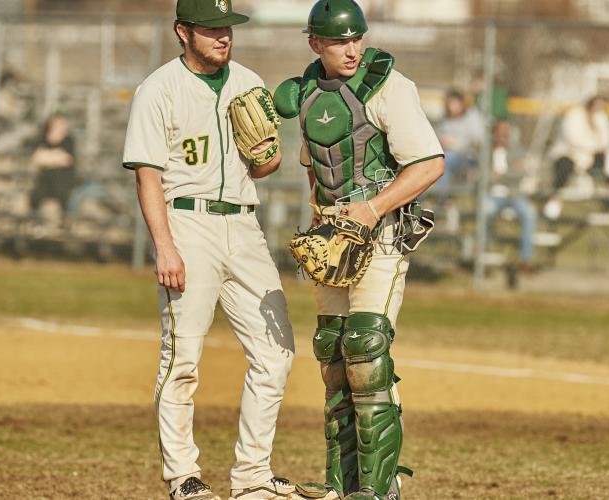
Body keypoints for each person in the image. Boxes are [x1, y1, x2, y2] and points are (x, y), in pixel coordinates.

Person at [121, 1, 296, 499]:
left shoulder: (249, 82)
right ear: (183, 31)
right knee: (182, 357)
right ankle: (183, 477)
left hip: (243, 223)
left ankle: (253, 477)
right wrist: (165, 247)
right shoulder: (158, 89)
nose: (224, 36)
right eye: (212, 28)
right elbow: (147, 176)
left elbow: (264, 166)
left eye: (228, 28)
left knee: (277, 352)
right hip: (187, 222)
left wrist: (268, 156)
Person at [273, 1, 445, 499]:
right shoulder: (307, 92)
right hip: (335, 240)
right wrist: (317, 218)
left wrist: (371, 209)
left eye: (356, 39)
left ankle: (379, 487)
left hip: (381, 236)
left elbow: (429, 164)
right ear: (315, 44)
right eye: (338, 41)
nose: (351, 50)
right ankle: (340, 482)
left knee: (366, 350)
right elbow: (317, 166)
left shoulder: (389, 87)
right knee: (332, 355)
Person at [544, 95, 609, 219]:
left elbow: (608, 139)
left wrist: (596, 148)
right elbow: (572, 138)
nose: (599, 108)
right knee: (564, 167)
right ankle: (554, 200)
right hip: (570, 154)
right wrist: (592, 147)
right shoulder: (574, 115)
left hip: (590, 156)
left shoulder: (600, 118)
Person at [486, 119, 536, 270]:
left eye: (507, 132)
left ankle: (525, 258)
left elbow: (519, 175)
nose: (504, 135)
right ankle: (484, 252)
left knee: (530, 213)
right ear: (494, 133)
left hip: (514, 195)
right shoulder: (486, 152)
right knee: (485, 210)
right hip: (492, 195)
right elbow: (482, 176)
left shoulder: (518, 151)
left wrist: (499, 175)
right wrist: (508, 173)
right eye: (501, 132)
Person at [29, 113, 77, 226]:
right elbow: (37, 158)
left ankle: (65, 223)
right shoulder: (42, 139)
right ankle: (34, 222)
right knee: (35, 196)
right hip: (44, 180)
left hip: (62, 181)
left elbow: (67, 159)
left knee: (65, 196)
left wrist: (48, 157)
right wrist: (56, 156)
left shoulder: (68, 140)